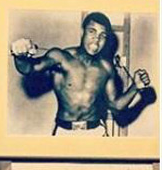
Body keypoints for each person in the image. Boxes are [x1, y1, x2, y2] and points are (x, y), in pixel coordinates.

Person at [10, 12, 152, 136]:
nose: (96, 39)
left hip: (96, 132)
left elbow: (116, 106)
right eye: (92, 31)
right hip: (64, 132)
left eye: (102, 35)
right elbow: (29, 69)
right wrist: (19, 55)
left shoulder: (106, 68)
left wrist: (135, 86)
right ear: (82, 32)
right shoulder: (61, 57)